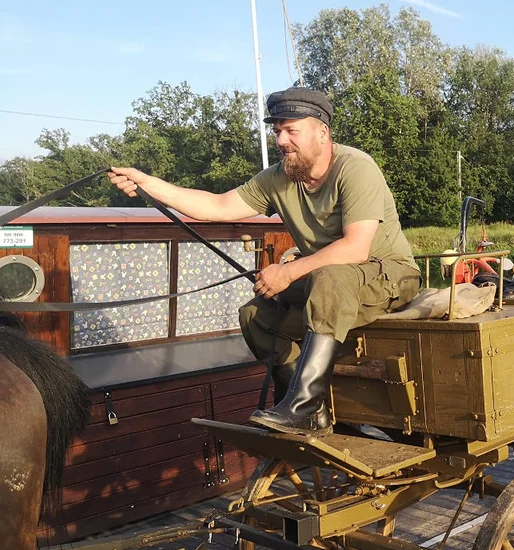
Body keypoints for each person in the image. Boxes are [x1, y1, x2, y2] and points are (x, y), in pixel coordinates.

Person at [109, 88, 422, 437]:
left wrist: (287, 271)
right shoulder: (278, 177)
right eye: (277, 131)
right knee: (256, 316)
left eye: (292, 131)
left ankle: (302, 406)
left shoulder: (355, 167)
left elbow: (355, 248)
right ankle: (311, 411)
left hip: (390, 273)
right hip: (328, 277)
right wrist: (149, 184)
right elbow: (217, 206)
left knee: (331, 278)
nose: (282, 140)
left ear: (322, 132)